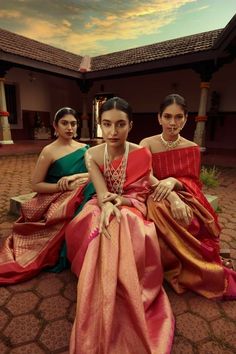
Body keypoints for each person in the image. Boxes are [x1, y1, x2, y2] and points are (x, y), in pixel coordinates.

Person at [65, 97, 174, 354]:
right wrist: (107, 205)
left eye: (120, 124)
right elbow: (101, 193)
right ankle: (101, 289)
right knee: (100, 219)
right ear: (100, 124)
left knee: (124, 221)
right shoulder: (91, 154)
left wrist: (121, 202)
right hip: (101, 203)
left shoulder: (140, 153)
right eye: (106, 124)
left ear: (131, 125)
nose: (113, 132)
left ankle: (124, 290)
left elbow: (142, 194)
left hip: (132, 205)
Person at [140, 93, 236, 300]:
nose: (172, 123)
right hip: (154, 192)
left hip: (185, 193)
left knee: (190, 217)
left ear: (185, 119)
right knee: (159, 207)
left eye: (178, 117)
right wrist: (171, 196)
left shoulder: (191, 148)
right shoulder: (146, 143)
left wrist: (174, 182)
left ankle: (199, 262)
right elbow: (144, 174)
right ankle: (178, 265)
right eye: (167, 117)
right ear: (159, 118)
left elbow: (194, 183)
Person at [0, 107, 94, 284]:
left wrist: (75, 177)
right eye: (64, 123)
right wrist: (62, 188)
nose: (69, 128)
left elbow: (93, 174)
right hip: (54, 196)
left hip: (79, 192)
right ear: (55, 126)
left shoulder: (85, 149)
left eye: (73, 124)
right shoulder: (49, 151)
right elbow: (36, 184)